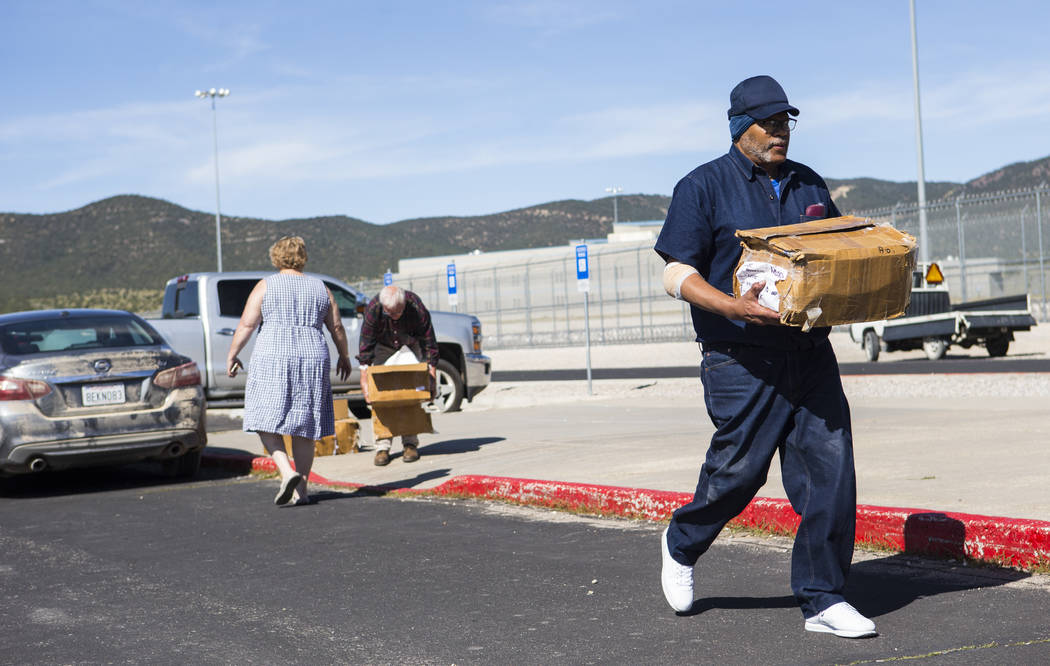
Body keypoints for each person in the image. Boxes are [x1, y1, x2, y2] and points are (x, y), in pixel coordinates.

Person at [654, 75, 876, 638]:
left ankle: (823, 598)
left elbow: (832, 251)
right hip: (739, 356)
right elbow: (676, 273)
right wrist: (731, 306)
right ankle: (682, 542)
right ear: (739, 127)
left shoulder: (809, 183)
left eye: (787, 122)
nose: (782, 133)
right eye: (770, 123)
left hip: (809, 353)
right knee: (737, 474)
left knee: (830, 472)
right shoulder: (702, 186)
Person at [226, 236, 352, 506]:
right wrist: (344, 355)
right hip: (312, 355)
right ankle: (302, 491)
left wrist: (233, 353)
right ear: (303, 257)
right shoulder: (321, 288)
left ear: (276, 257)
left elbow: (247, 325)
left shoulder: (266, 285)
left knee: (263, 417)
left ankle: (286, 471)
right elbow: (337, 327)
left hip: (274, 355)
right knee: (305, 425)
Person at [357, 285, 438, 466]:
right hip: (383, 346)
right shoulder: (374, 308)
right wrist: (364, 375)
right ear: (383, 307)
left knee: (409, 394)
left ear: (404, 304)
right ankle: (382, 446)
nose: (394, 316)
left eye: (398, 312)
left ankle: (410, 443)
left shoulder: (416, 306)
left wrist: (431, 372)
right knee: (380, 396)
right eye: (390, 313)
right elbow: (366, 341)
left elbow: (429, 339)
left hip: (409, 343)